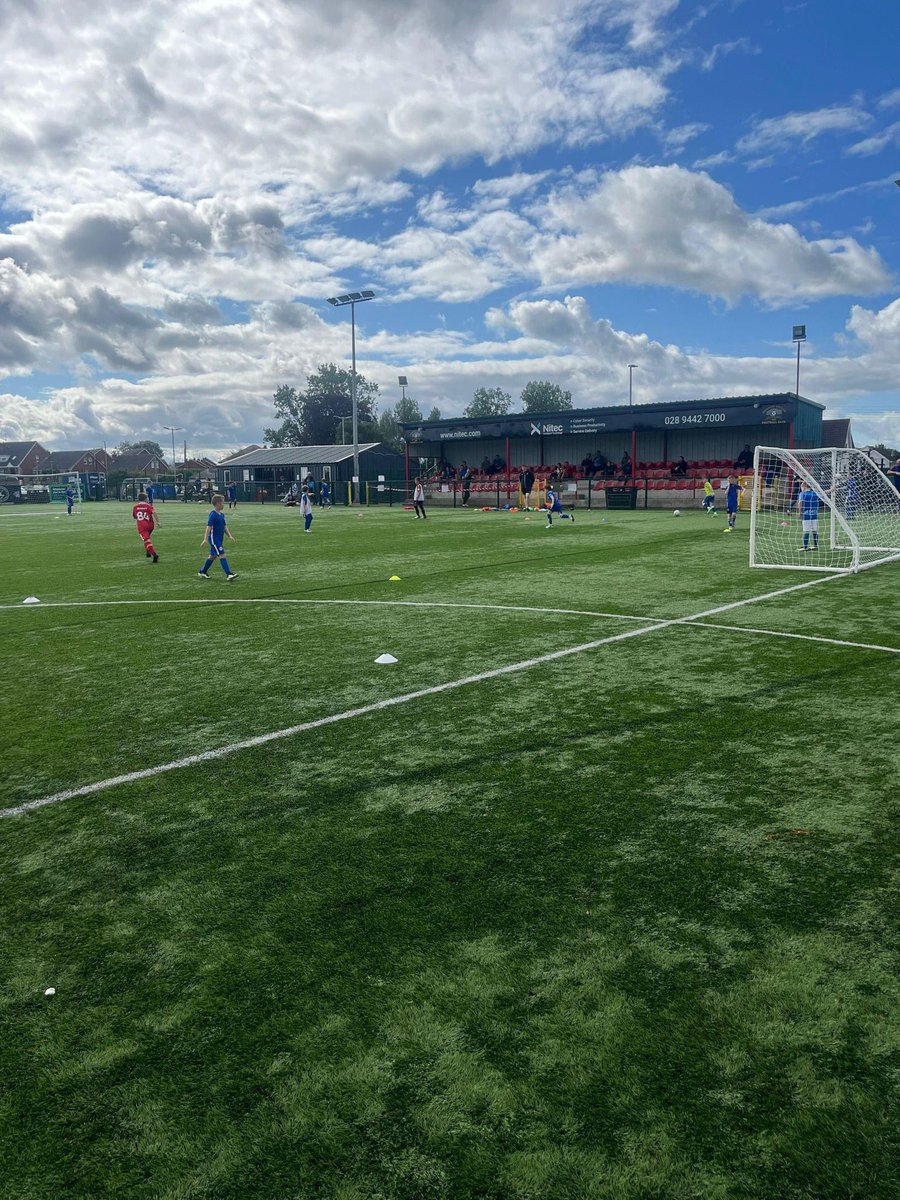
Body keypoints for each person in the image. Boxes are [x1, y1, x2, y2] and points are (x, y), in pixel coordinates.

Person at [198, 493, 237, 579]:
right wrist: (205, 539)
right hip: (214, 539)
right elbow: (208, 527)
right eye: (223, 502)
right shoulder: (213, 515)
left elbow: (224, 526)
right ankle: (229, 574)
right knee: (222, 555)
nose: (223, 504)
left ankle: (202, 571)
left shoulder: (222, 515)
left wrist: (229, 536)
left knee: (212, 556)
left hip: (219, 539)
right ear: (218, 503)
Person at [132, 490, 160, 562]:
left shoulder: (135, 507)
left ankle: (154, 555)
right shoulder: (148, 506)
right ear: (145, 499)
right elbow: (154, 513)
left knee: (146, 540)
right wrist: (158, 522)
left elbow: (135, 516)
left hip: (142, 526)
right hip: (150, 525)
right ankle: (148, 552)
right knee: (147, 539)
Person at [797, 482, 821, 551]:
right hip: (815, 514)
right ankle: (815, 545)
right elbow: (823, 493)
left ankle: (805, 547)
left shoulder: (802, 494)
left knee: (806, 531)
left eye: (801, 488)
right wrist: (831, 489)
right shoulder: (814, 493)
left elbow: (800, 502)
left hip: (806, 514)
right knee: (815, 530)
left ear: (804, 487)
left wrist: (800, 512)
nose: (801, 489)